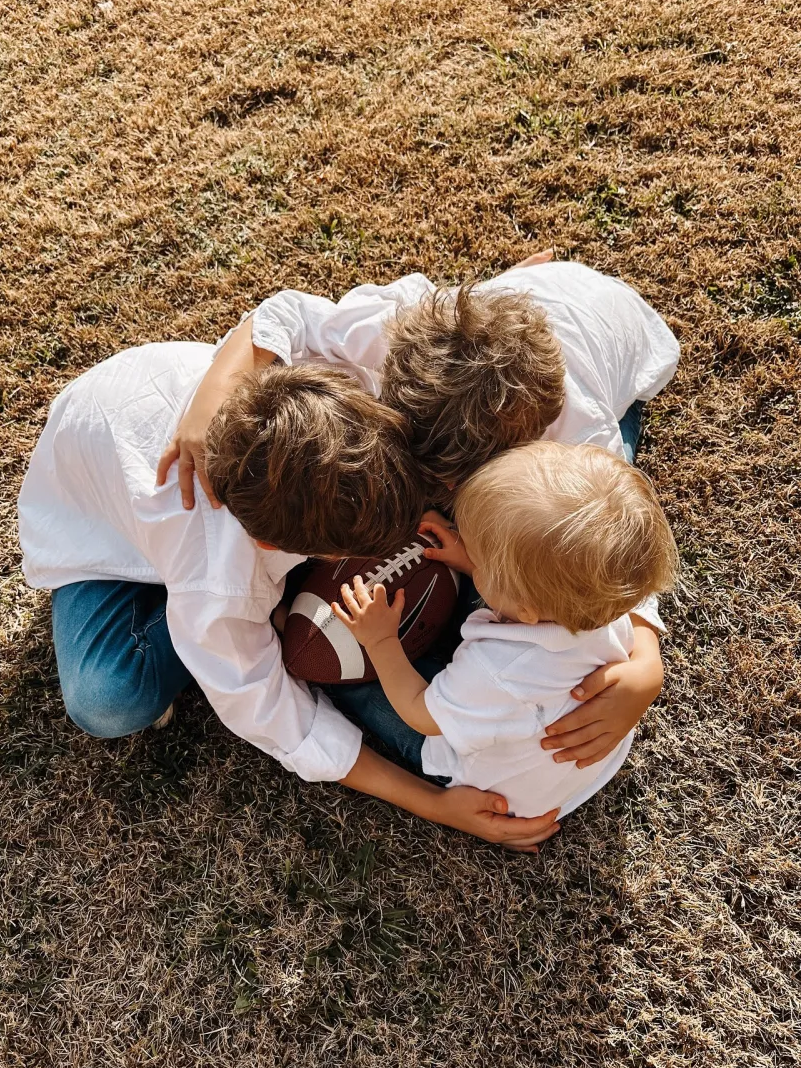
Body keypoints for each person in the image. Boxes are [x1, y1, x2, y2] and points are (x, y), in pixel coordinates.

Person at [19, 346, 558, 850]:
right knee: (109, 700)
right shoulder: (219, 583)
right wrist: (434, 804)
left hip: (154, 400)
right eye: (349, 553)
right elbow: (275, 716)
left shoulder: (340, 388)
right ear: (272, 546)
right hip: (101, 530)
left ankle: (277, 601)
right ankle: (246, 608)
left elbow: (283, 314)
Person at [160, 252, 680, 769]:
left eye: (450, 483)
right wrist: (214, 393)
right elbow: (286, 312)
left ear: (527, 446)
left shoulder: (577, 433)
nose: (429, 492)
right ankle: (514, 292)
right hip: (523, 322)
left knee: (543, 565)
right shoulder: (393, 327)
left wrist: (645, 655)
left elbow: (609, 538)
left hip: (616, 360)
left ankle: (519, 296)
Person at [331, 442, 679, 817]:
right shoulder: (603, 602)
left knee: (357, 684)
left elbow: (421, 714)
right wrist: (475, 564)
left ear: (526, 609)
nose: (469, 550)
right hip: (569, 766)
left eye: (480, 558)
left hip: (496, 787)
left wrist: (380, 641)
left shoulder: (498, 672)